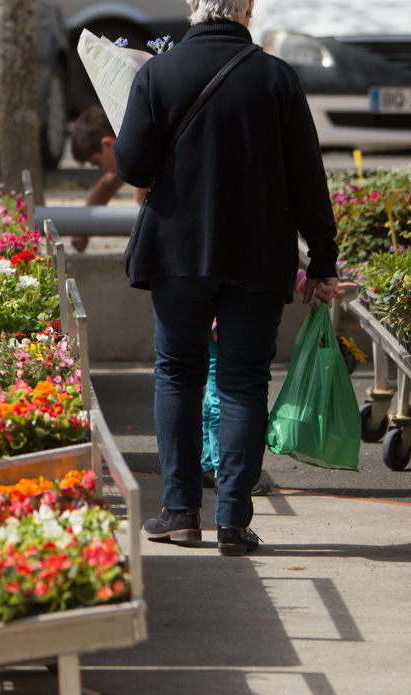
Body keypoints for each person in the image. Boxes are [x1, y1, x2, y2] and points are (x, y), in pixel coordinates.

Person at [112, 0, 342, 556]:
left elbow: (132, 166)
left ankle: (180, 512)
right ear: (248, 10)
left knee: (178, 375)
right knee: (243, 381)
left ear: (193, 6)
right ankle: (235, 522)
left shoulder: (156, 74)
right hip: (259, 256)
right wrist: (323, 259)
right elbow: (307, 177)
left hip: (178, 253)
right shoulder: (276, 79)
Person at [68, 107, 146, 253]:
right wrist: (83, 228)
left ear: (108, 144)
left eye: (97, 163)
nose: (102, 170)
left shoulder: (140, 151)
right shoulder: (128, 148)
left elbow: (142, 199)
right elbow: (107, 187)